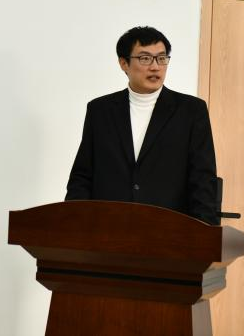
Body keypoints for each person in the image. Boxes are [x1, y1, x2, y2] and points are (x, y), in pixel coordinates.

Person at [65, 26, 219, 224]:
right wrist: (73, 223)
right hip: (108, 227)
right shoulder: (100, 110)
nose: (155, 67)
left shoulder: (191, 111)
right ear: (124, 63)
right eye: (145, 58)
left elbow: (203, 179)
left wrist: (204, 232)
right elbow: (82, 176)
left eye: (161, 58)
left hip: (169, 230)